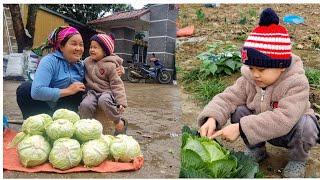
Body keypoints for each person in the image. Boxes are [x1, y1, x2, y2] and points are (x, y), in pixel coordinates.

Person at [197, 8, 320, 178]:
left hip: (290, 133)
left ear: (282, 66)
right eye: (251, 67)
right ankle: (257, 149)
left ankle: (298, 159)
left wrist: (241, 128)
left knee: (307, 125)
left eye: (261, 69)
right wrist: (212, 118)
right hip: (259, 131)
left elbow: (283, 119)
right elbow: (227, 98)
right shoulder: (250, 80)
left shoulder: (296, 84)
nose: (255, 74)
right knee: (238, 109)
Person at [16, 26, 86, 119]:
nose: (78, 48)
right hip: (43, 107)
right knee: (25, 89)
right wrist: (68, 90)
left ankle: (63, 125)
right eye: (74, 44)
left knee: (79, 90)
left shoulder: (81, 65)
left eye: (81, 44)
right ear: (61, 46)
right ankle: (37, 123)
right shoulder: (49, 61)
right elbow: (37, 91)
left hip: (64, 110)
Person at [79, 33, 128, 135]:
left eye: (96, 47)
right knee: (85, 104)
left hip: (106, 92)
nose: (92, 50)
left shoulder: (110, 65)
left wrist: (121, 102)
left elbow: (117, 84)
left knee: (104, 100)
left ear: (105, 51)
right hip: (91, 92)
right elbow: (77, 66)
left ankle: (118, 122)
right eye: (91, 47)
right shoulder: (87, 62)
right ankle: (87, 128)